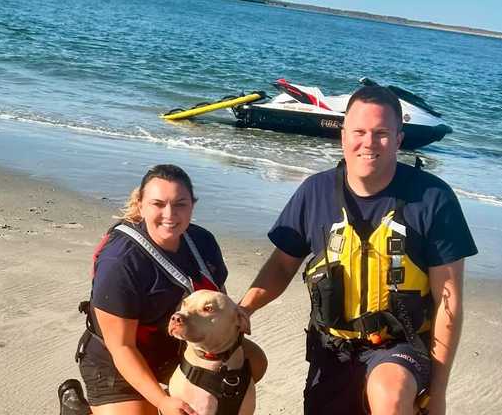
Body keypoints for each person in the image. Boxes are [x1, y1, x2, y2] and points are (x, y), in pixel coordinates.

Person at [239, 85, 477, 415]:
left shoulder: (433, 199)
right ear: (342, 135)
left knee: (388, 395)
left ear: (399, 139)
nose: (368, 142)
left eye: (381, 133)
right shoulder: (315, 192)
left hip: (401, 346)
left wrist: (438, 391)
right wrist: (244, 310)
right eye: (359, 132)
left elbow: (449, 299)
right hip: (332, 348)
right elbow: (281, 265)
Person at [63, 164, 266, 415]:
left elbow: (218, 302)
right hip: (118, 359)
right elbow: (121, 347)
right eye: (158, 204)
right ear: (141, 205)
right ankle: (81, 410)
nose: (170, 214)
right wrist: (162, 401)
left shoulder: (202, 241)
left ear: (193, 205)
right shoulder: (120, 262)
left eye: (180, 204)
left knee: (253, 362)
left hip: (174, 346)